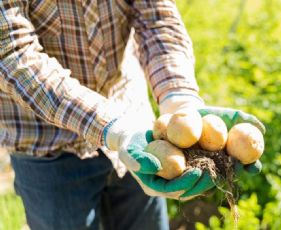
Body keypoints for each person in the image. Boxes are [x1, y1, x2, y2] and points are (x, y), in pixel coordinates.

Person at [0, 0, 265, 229]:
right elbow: (13, 54)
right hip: (46, 143)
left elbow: (157, 18)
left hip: (138, 134)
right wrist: (113, 128)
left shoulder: (147, 141)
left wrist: (179, 97)